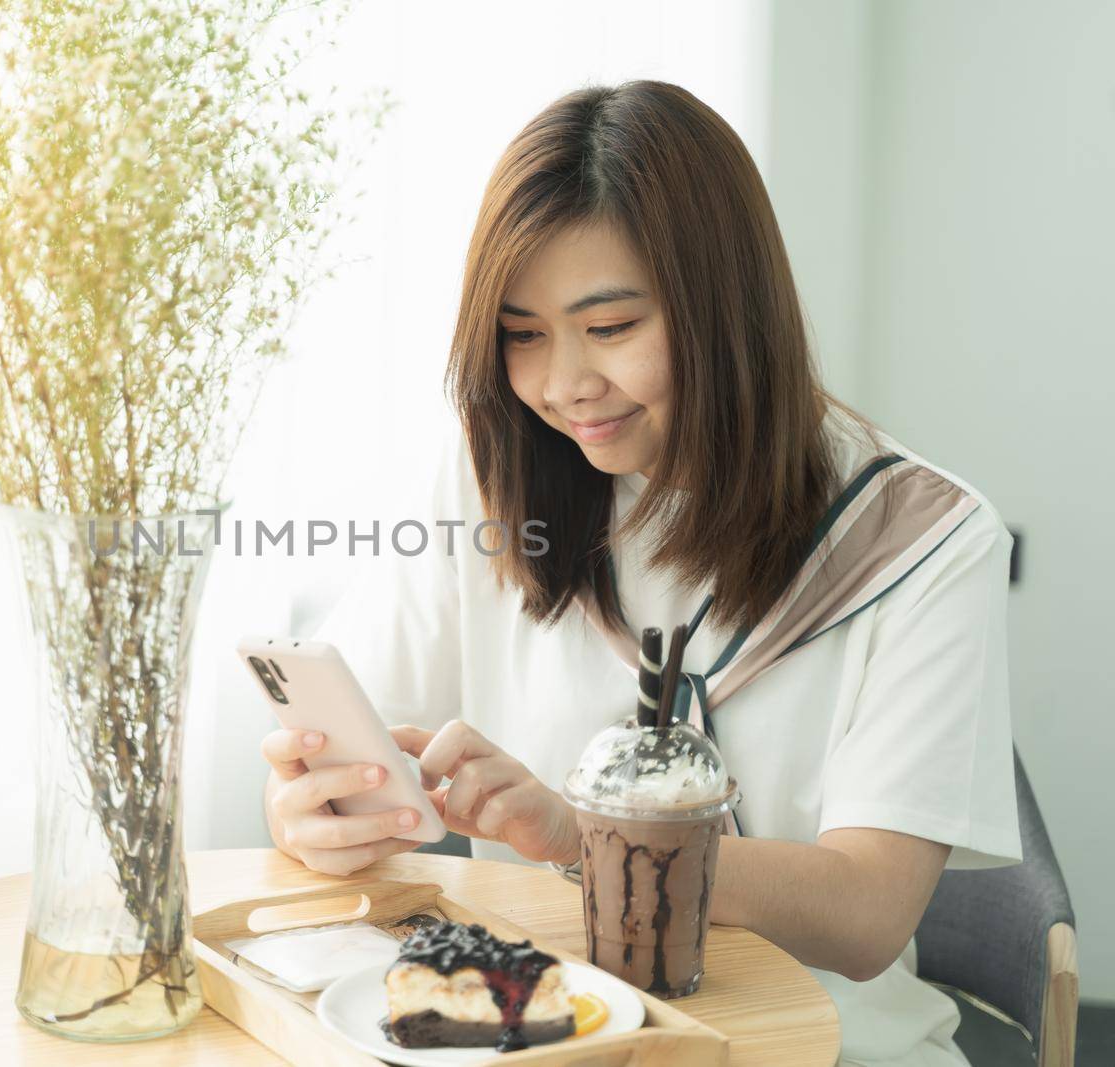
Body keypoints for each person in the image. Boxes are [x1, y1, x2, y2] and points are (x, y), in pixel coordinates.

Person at [258, 81, 1020, 1067]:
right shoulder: (490, 480)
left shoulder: (920, 538)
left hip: (832, 1047)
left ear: (724, 310)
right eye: (523, 334)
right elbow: (352, 746)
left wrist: (581, 833)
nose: (563, 383)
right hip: (544, 1037)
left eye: (609, 327)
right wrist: (316, 811)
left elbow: (866, 911)